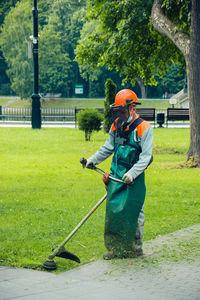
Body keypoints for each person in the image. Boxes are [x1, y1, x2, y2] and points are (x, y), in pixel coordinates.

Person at [85, 89, 153, 259]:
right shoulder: (116, 125)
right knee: (114, 212)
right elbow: (108, 148)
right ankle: (114, 249)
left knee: (135, 212)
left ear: (132, 108)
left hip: (133, 178)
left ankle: (135, 248)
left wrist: (132, 174)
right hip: (116, 175)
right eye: (118, 111)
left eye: (123, 110)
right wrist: (92, 160)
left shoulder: (145, 128)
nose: (120, 114)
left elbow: (146, 158)